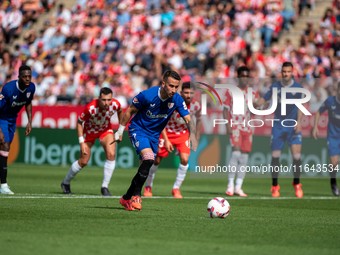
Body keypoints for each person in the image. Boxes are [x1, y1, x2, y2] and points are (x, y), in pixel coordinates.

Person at [114, 70, 198, 210]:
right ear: (163, 83)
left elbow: (188, 118)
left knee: (145, 167)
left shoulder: (177, 99)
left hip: (154, 135)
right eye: (171, 86)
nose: (173, 90)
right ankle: (136, 196)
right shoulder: (147, 95)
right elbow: (129, 110)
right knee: (148, 159)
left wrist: (193, 136)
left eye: (176, 87)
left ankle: (126, 198)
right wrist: (120, 131)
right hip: (138, 130)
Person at [143, 81, 202, 199]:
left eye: (191, 93)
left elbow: (198, 120)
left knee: (185, 159)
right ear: (181, 93)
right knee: (156, 160)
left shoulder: (196, 105)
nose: (188, 95)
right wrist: (166, 139)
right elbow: (161, 120)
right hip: (166, 132)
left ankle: (176, 188)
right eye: (186, 93)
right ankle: (148, 186)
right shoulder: (172, 102)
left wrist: (195, 136)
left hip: (182, 134)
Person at [254, 62, 304, 198]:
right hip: (278, 125)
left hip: (293, 125)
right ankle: (275, 186)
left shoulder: (298, 87)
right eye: (284, 72)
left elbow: (301, 106)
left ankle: (297, 183)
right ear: (281, 72)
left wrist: (299, 122)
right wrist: (253, 103)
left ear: (292, 72)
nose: (286, 74)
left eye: (288, 72)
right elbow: (262, 101)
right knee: (275, 156)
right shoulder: (275, 87)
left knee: (296, 156)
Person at [61, 87, 123, 196]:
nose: (106, 103)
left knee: (111, 154)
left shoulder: (116, 104)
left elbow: (121, 111)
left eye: (109, 100)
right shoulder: (91, 108)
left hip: (105, 130)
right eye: (104, 100)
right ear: (99, 98)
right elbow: (79, 123)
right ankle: (65, 183)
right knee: (83, 162)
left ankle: (105, 186)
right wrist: (81, 142)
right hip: (89, 131)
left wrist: (120, 131)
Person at [0, 65, 35, 194]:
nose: (27, 79)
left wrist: (29, 122)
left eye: (29, 76)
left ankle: (3, 185)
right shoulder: (8, 89)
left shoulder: (31, 87)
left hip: (12, 119)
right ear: (19, 77)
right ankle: (3, 185)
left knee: (5, 148)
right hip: (2, 118)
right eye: (24, 76)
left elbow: (28, 102)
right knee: (5, 146)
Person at [223, 66, 258, 197]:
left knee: (244, 158)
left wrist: (259, 107)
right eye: (242, 76)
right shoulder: (231, 91)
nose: (244, 78)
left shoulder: (253, 92)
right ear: (238, 77)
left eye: (246, 76)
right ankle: (230, 184)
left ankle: (238, 186)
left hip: (247, 128)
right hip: (235, 125)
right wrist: (227, 125)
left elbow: (254, 111)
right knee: (236, 154)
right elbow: (225, 109)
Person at [312, 82, 340, 196]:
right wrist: (315, 127)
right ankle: (333, 182)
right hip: (333, 136)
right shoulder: (330, 101)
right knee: (334, 163)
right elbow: (319, 111)